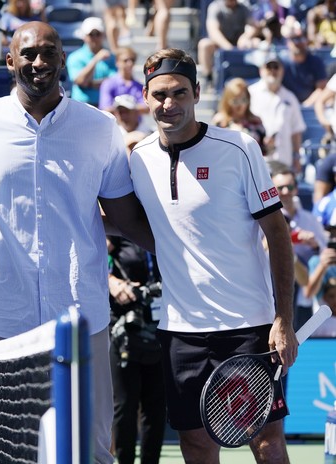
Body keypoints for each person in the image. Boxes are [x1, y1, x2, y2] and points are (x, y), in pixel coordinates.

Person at [0, 21, 154, 464]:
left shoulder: (99, 127)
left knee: (91, 452)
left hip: (81, 317)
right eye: (30, 53)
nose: (39, 62)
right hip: (5, 317)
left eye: (49, 52)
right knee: (8, 452)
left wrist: (187, 246)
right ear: (10, 61)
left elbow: (124, 217)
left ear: (61, 58)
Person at [129, 47, 298, 463]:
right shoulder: (137, 158)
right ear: (146, 97)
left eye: (180, 93)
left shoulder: (239, 147)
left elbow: (277, 233)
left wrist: (283, 320)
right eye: (160, 95)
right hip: (179, 329)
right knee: (196, 443)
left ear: (198, 93)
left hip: (249, 325)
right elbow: (129, 223)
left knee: (267, 441)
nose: (169, 104)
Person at [107, 236, 165, 464]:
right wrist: (113, 282)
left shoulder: (161, 226)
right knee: (124, 405)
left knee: (156, 407)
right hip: (124, 331)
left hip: (160, 329)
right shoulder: (119, 229)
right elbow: (92, 253)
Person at [270, 161, 326, 330]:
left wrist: (314, 245)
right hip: (273, 287)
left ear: (296, 188)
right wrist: (290, 240)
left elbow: (324, 253)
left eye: (290, 186)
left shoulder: (310, 219)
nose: (285, 192)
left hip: (306, 289)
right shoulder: (267, 219)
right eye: (280, 188)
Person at [249, 51, 306, 175]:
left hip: (282, 161)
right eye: (269, 67)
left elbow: (296, 130)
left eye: (276, 67)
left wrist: (296, 156)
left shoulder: (290, 97)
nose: (272, 70)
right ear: (261, 70)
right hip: (254, 160)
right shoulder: (250, 94)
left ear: (282, 70)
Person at [197, 0, 260, 85]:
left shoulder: (244, 7)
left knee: (256, 42)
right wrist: (228, 48)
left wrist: (245, 37)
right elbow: (213, 31)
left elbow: (253, 26)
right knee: (204, 45)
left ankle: (256, 78)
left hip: (239, 44)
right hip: (221, 44)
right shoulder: (215, 6)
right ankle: (209, 79)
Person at [66, 16, 117, 107]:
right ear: (84, 36)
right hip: (82, 106)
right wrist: (96, 59)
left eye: (97, 34)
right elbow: (80, 81)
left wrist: (90, 84)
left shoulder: (111, 57)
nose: (95, 37)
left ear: (103, 35)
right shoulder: (75, 57)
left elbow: (114, 81)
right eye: (91, 34)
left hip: (106, 106)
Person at [211, 77, 269, 155]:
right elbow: (214, 150)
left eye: (244, 100)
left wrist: (269, 145)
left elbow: (263, 151)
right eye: (235, 101)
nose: (240, 105)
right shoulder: (220, 122)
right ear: (227, 101)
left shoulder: (256, 121)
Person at [279, 19, 327, 107]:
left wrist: (304, 106)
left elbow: (321, 88)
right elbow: (275, 87)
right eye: (294, 39)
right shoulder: (281, 62)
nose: (298, 42)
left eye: (301, 38)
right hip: (287, 105)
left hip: (310, 107)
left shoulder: (316, 61)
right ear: (288, 42)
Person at [98, 46, 145, 113]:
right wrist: (129, 107)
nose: (130, 63)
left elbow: (146, 107)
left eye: (132, 60)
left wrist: (124, 107)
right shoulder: (108, 83)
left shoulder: (139, 86)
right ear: (117, 62)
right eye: (125, 60)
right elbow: (105, 108)